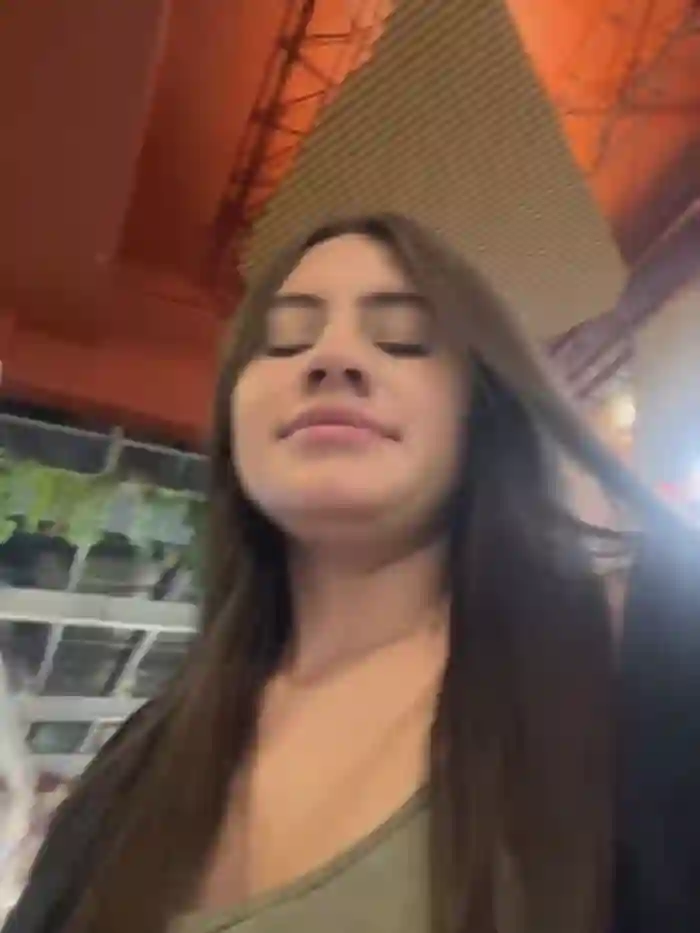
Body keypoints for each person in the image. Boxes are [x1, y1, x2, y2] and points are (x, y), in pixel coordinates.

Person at [7, 214, 700, 933]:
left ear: (481, 409)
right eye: (285, 340)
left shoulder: (649, 643)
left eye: (402, 337)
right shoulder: (137, 761)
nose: (332, 357)